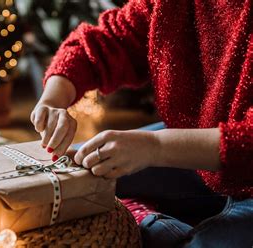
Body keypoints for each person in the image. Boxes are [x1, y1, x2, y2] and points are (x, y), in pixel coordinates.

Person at [30, 0, 252, 247]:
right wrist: (52, 99)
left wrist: (154, 148)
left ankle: (146, 222)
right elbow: (107, 41)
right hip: (198, 158)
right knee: (80, 167)